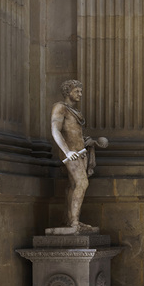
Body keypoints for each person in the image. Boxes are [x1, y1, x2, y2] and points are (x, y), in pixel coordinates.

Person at [50, 80, 108, 232]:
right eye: (77, 91)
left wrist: (90, 142)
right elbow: (55, 131)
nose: (80, 94)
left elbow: (75, 133)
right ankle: (74, 222)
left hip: (81, 152)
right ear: (68, 91)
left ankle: (71, 220)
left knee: (74, 185)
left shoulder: (74, 111)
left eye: (81, 91)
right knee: (82, 183)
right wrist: (67, 151)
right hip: (71, 153)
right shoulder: (60, 107)